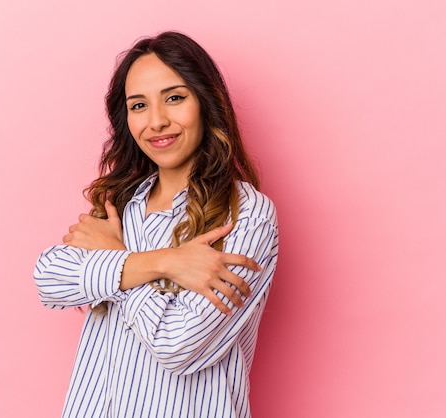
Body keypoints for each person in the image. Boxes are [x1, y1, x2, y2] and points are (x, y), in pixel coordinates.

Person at [34, 31, 279, 418]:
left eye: (175, 98)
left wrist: (115, 259)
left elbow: (178, 344)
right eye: (138, 106)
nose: (157, 122)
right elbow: (48, 279)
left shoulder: (245, 214)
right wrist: (164, 262)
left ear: (206, 102)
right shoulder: (122, 204)